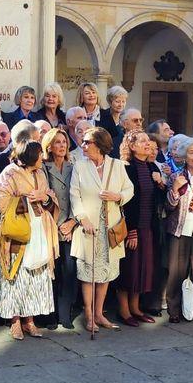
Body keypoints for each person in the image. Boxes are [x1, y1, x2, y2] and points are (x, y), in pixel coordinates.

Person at [0, 140, 59, 339]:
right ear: (30, 155)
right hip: (19, 232)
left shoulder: (40, 173)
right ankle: (15, 321)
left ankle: (29, 320)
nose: (43, 158)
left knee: (35, 277)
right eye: (40, 154)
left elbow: (50, 197)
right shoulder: (9, 173)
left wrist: (44, 198)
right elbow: (1, 201)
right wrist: (25, 199)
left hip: (40, 230)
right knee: (16, 277)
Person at [71, 127, 134, 333]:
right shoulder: (80, 166)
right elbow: (74, 195)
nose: (83, 145)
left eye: (87, 142)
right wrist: (82, 219)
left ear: (99, 145)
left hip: (110, 227)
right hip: (88, 227)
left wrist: (118, 197)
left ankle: (99, 313)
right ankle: (89, 316)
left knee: (105, 272)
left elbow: (129, 189)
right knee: (88, 273)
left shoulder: (117, 165)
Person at [114, 130, 165, 326]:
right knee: (128, 269)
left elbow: (157, 199)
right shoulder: (125, 168)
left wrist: (160, 183)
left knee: (142, 270)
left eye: (148, 141)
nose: (148, 143)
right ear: (132, 146)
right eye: (143, 141)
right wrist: (132, 230)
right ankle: (124, 310)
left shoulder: (151, 166)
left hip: (148, 227)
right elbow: (126, 203)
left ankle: (135, 308)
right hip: (131, 228)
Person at [162, 136, 193, 324]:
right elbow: (168, 206)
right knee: (176, 272)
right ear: (184, 155)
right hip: (179, 228)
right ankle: (174, 310)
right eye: (192, 153)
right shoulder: (175, 176)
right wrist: (175, 189)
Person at [41, 128, 77, 328]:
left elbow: (79, 197)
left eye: (64, 142)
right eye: (57, 142)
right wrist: (55, 225)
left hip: (70, 228)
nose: (62, 145)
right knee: (52, 273)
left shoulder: (74, 168)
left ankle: (65, 315)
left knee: (69, 272)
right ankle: (51, 316)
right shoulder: (44, 168)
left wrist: (72, 222)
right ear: (49, 146)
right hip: (51, 228)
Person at [97, 86, 129, 155]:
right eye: (117, 101)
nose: (120, 105)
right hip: (104, 155)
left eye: (123, 101)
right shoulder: (102, 116)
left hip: (120, 156)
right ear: (110, 102)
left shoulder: (124, 119)